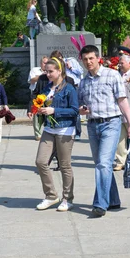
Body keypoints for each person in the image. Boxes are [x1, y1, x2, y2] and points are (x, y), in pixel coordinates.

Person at [78, 45, 130, 217]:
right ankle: (114, 199)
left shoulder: (112, 75)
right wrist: (82, 110)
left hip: (111, 123)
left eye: (91, 58)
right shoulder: (83, 81)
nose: (88, 62)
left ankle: (100, 204)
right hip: (93, 125)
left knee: (103, 163)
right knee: (102, 165)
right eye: (85, 59)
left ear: (98, 58)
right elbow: (81, 103)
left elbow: (122, 101)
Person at [34, 57, 78, 211]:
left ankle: (68, 198)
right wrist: (39, 110)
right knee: (40, 161)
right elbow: (41, 101)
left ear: (60, 71)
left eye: (51, 71)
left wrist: (54, 111)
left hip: (65, 130)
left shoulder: (69, 88)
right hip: (49, 129)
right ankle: (51, 195)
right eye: (46, 71)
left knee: (65, 165)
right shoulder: (47, 88)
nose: (48, 74)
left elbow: (74, 110)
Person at [28, 56, 48, 140]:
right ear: (41, 63)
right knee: (36, 115)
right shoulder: (35, 70)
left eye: (47, 63)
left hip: (47, 95)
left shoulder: (51, 71)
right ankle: (38, 134)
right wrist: (41, 76)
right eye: (44, 63)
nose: (45, 64)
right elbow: (31, 80)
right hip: (37, 94)